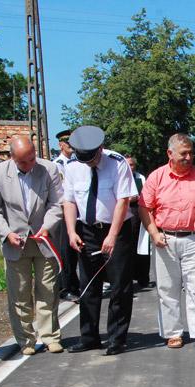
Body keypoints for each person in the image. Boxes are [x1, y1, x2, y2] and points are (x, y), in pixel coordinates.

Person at [0, 136, 65, 356]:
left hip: (43, 239)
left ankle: (50, 336)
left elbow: (57, 203)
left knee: (48, 289)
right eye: (23, 162)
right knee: (19, 292)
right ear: (12, 158)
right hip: (14, 242)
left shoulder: (49, 169)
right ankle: (26, 339)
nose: (30, 164)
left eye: (32, 158)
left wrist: (47, 227)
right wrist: (6, 233)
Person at [138, 134, 195, 351]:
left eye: (191, 153)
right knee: (167, 289)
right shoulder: (156, 177)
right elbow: (144, 207)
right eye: (184, 153)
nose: (189, 157)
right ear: (170, 153)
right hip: (165, 239)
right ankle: (173, 333)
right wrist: (154, 233)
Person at [63, 126, 138, 356]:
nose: (89, 163)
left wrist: (112, 235)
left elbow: (123, 201)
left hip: (118, 229)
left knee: (119, 286)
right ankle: (89, 337)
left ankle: (116, 339)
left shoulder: (117, 163)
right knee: (88, 286)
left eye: (92, 158)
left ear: (100, 149)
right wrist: (71, 232)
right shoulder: (73, 166)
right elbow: (69, 201)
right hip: (86, 230)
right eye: (84, 159)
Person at [52, 129, 80, 302]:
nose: (71, 146)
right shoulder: (56, 165)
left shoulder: (78, 162)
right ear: (61, 145)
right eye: (67, 143)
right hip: (63, 212)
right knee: (65, 252)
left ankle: (75, 284)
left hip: (78, 211)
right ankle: (65, 288)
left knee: (77, 251)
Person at [126, 154, 152, 289]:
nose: (130, 167)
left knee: (142, 247)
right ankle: (127, 278)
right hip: (125, 216)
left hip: (138, 215)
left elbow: (146, 196)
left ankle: (143, 278)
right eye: (127, 164)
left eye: (132, 165)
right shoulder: (119, 177)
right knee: (127, 249)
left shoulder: (140, 178)